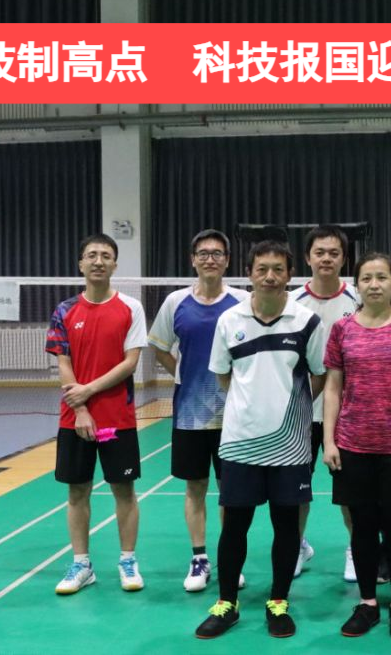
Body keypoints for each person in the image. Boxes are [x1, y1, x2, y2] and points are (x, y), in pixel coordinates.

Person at [193, 241, 327, 639]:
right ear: (249, 272)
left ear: (290, 274)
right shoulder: (229, 320)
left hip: (291, 446)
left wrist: (291, 411)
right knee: (235, 526)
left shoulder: (307, 321)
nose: (270, 276)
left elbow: (320, 374)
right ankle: (227, 603)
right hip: (239, 442)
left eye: (278, 269)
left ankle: (278, 602)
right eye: (262, 268)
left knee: (286, 526)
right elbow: (223, 375)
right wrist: (250, 406)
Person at [324, 252, 391, 640]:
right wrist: (329, 440)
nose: (374, 284)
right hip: (353, 445)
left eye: (381, 277)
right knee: (363, 527)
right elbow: (333, 386)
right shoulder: (342, 329)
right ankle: (368, 602)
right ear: (357, 285)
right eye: (367, 278)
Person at [148, 229, 250, 593]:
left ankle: (228, 559)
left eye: (217, 253)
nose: (210, 258)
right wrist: (180, 370)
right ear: (193, 260)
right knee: (195, 487)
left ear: (227, 261)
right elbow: (159, 346)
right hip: (189, 414)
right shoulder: (175, 302)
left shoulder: (242, 301)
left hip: (233, 415)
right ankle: (199, 557)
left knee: (230, 491)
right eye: (203, 253)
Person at [46, 234, 148, 595]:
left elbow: (130, 362)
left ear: (115, 265)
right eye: (92, 255)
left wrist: (87, 392)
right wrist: (80, 408)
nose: (99, 261)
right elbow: (64, 363)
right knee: (78, 491)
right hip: (74, 419)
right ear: (81, 264)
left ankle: (128, 560)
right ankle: (82, 564)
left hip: (117, 418)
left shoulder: (131, 308)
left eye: (106, 255)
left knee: (124, 490)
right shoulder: (64, 310)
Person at [291, 225, 361, 582]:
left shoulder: (359, 299)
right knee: (296, 489)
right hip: (301, 415)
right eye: (320, 252)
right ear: (308, 257)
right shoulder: (291, 303)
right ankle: (295, 546)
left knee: (349, 491)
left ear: (343, 258)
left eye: (334, 253)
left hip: (348, 415)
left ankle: (356, 550)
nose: (326, 259)